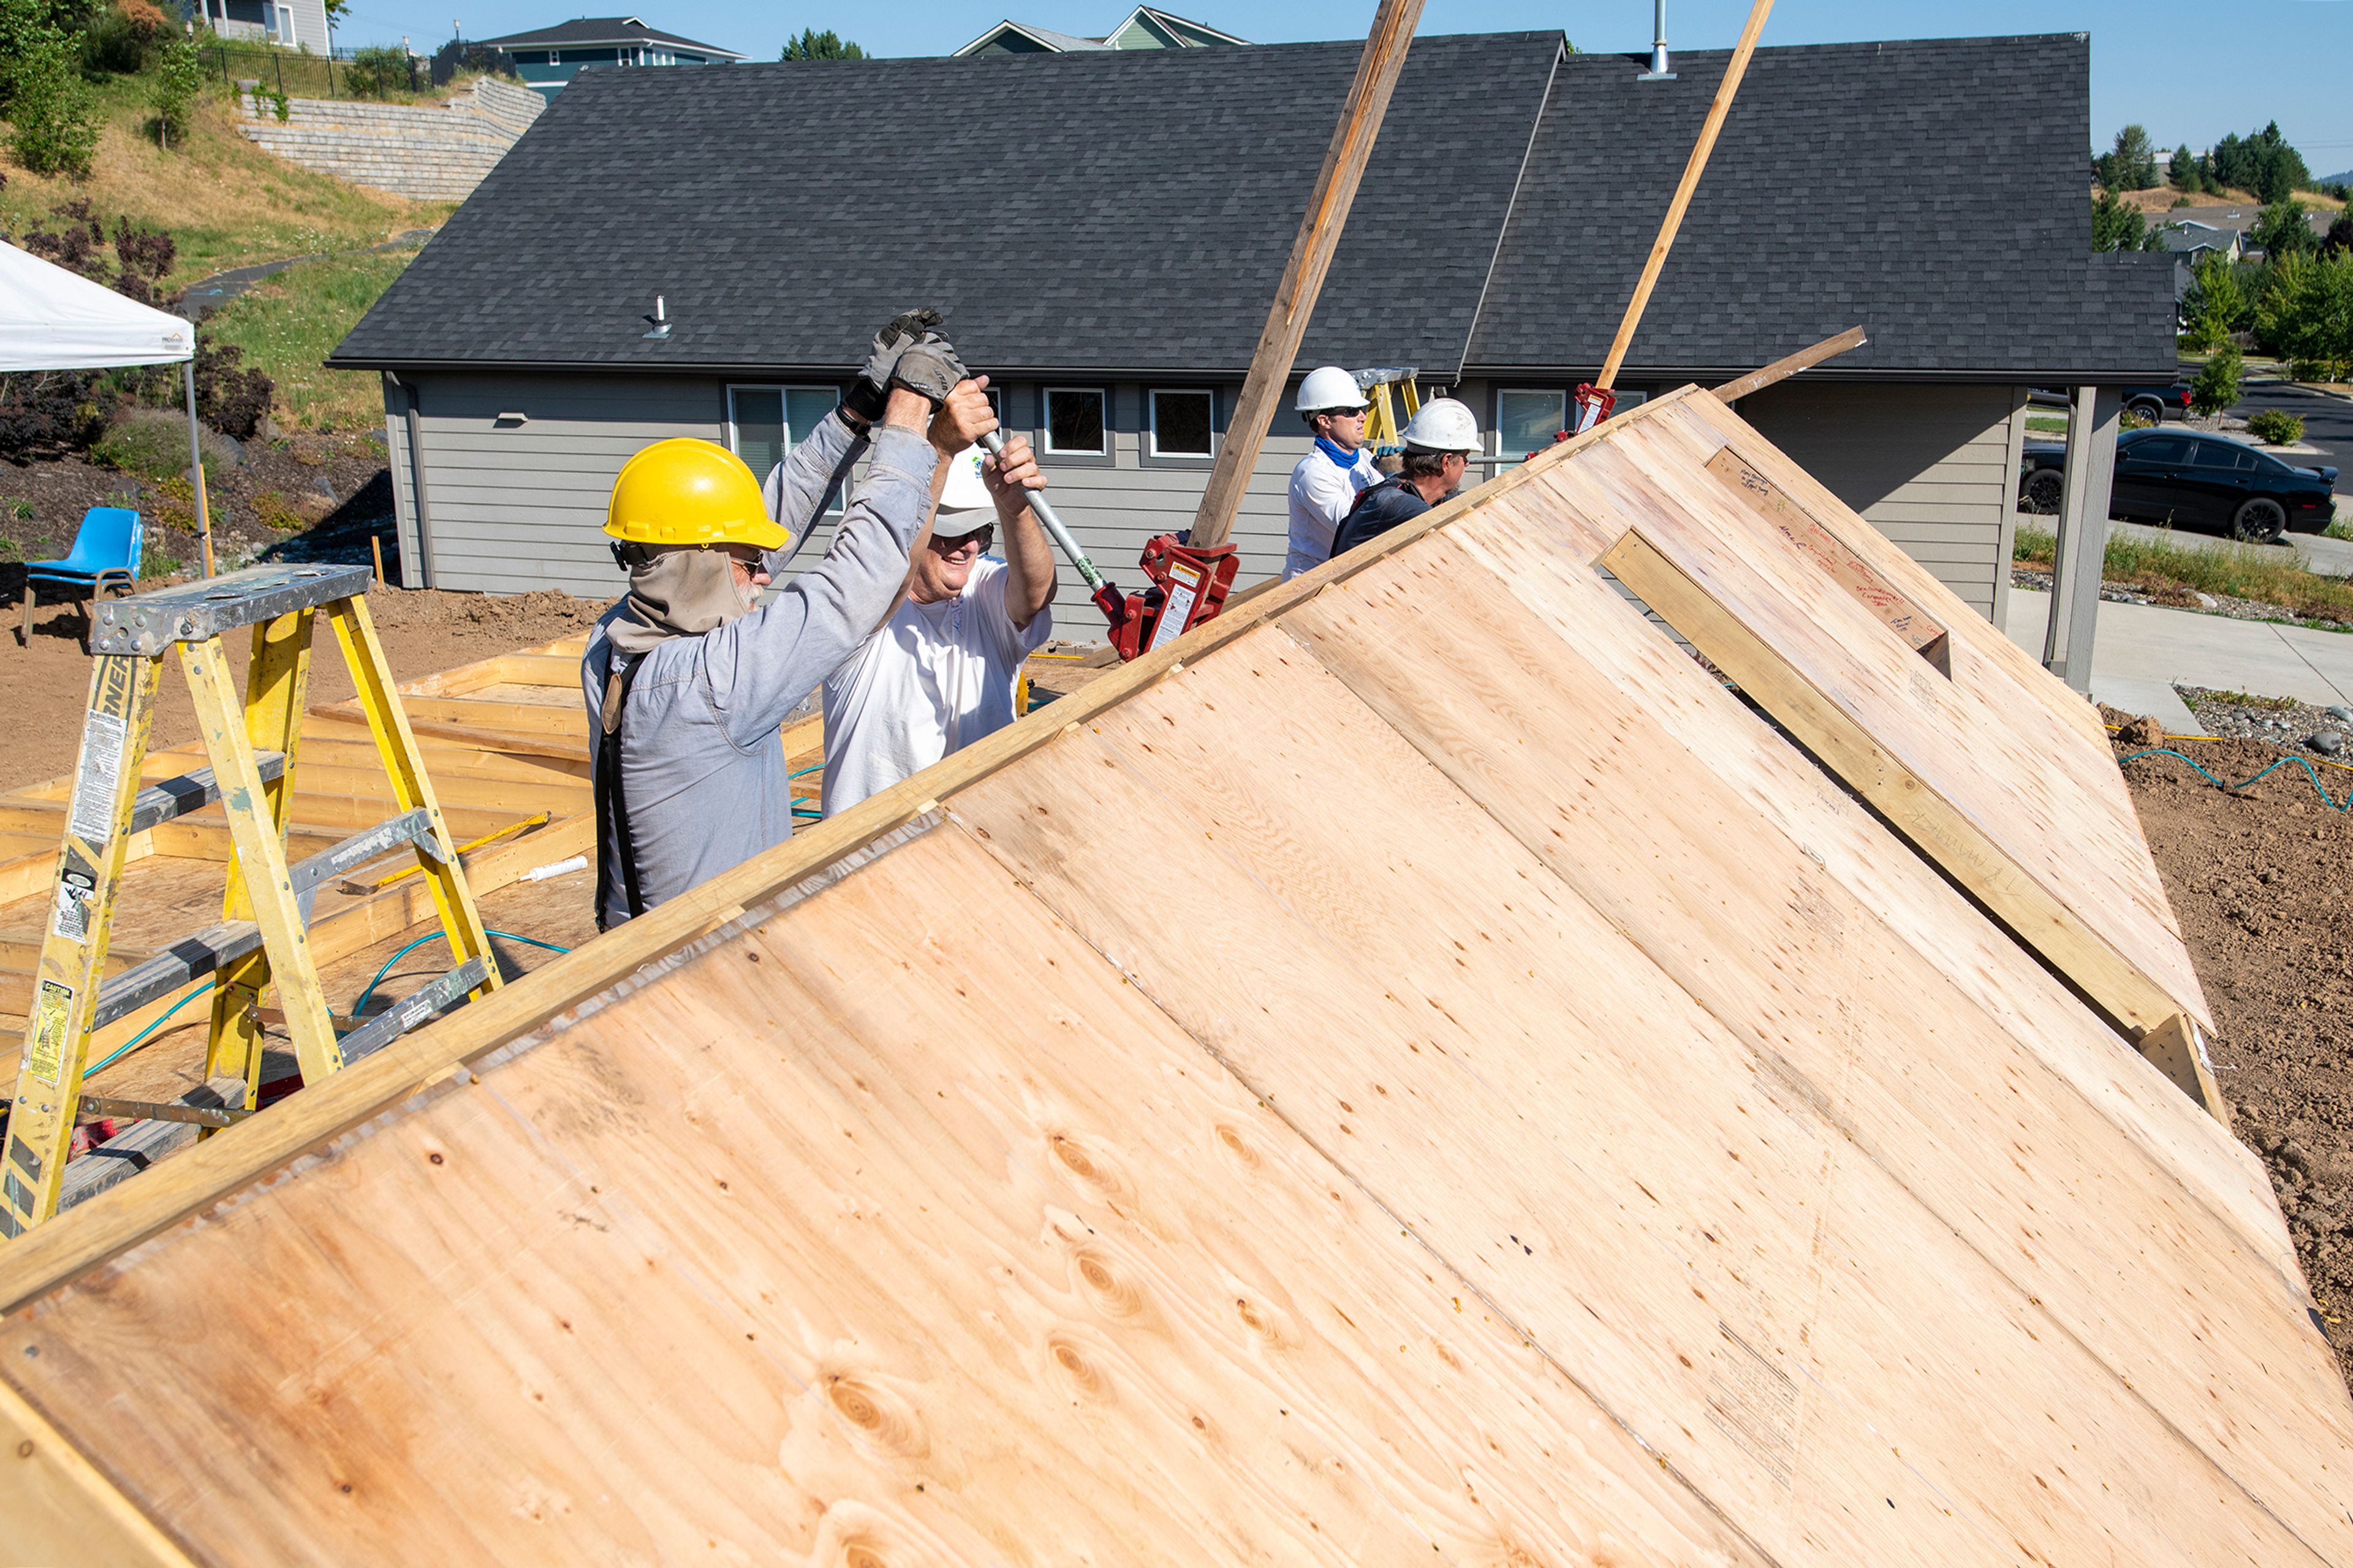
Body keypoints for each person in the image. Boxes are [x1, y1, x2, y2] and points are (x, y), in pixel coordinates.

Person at [583, 311, 992, 929]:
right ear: (700, 565)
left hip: (635, 946)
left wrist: (858, 412)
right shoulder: (713, 684)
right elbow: (858, 581)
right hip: (711, 969)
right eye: (750, 563)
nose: (766, 573)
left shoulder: (611, 645)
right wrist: (911, 422)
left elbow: (748, 528)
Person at [818, 437, 1056, 817]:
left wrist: (1017, 513)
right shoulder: (866, 607)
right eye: (951, 533)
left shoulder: (981, 585)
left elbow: (1034, 595)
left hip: (976, 832)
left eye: (979, 534)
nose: (969, 548)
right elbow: (890, 567)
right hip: (872, 845)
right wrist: (939, 449)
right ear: (916, 529)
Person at [1328, 398, 1483, 561]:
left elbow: (1468, 504)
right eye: (1465, 457)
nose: (1467, 463)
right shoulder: (1396, 503)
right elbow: (1455, 544)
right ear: (1446, 462)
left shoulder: (1414, 493)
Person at [1283, 365, 1378, 580]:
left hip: (1342, 575)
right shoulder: (1313, 473)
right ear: (1324, 420)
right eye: (1352, 412)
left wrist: (1402, 478)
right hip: (1310, 585)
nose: (1362, 417)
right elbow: (1355, 527)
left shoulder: (1365, 460)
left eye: (1361, 410)